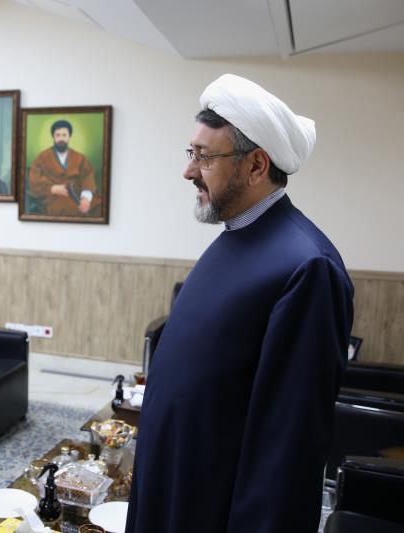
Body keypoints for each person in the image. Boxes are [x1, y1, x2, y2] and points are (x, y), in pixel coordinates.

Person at [125, 74, 354, 533]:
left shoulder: (307, 267)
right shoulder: (236, 236)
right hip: (174, 486)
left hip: (212, 505)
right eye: (192, 153)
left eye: (205, 157)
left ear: (255, 166)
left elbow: (286, 451)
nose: (189, 171)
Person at [28, 119, 100, 216]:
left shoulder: (80, 158)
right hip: (53, 198)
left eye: (64, 135)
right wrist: (52, 188)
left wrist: (85, 198)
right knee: (72, 210)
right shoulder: (42, 157)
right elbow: (34, 179)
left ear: (69, 137)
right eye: (57, 135)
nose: (61, 138)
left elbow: (88, 178)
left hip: (77, 195)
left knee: (99, 206)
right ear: (53, 137)